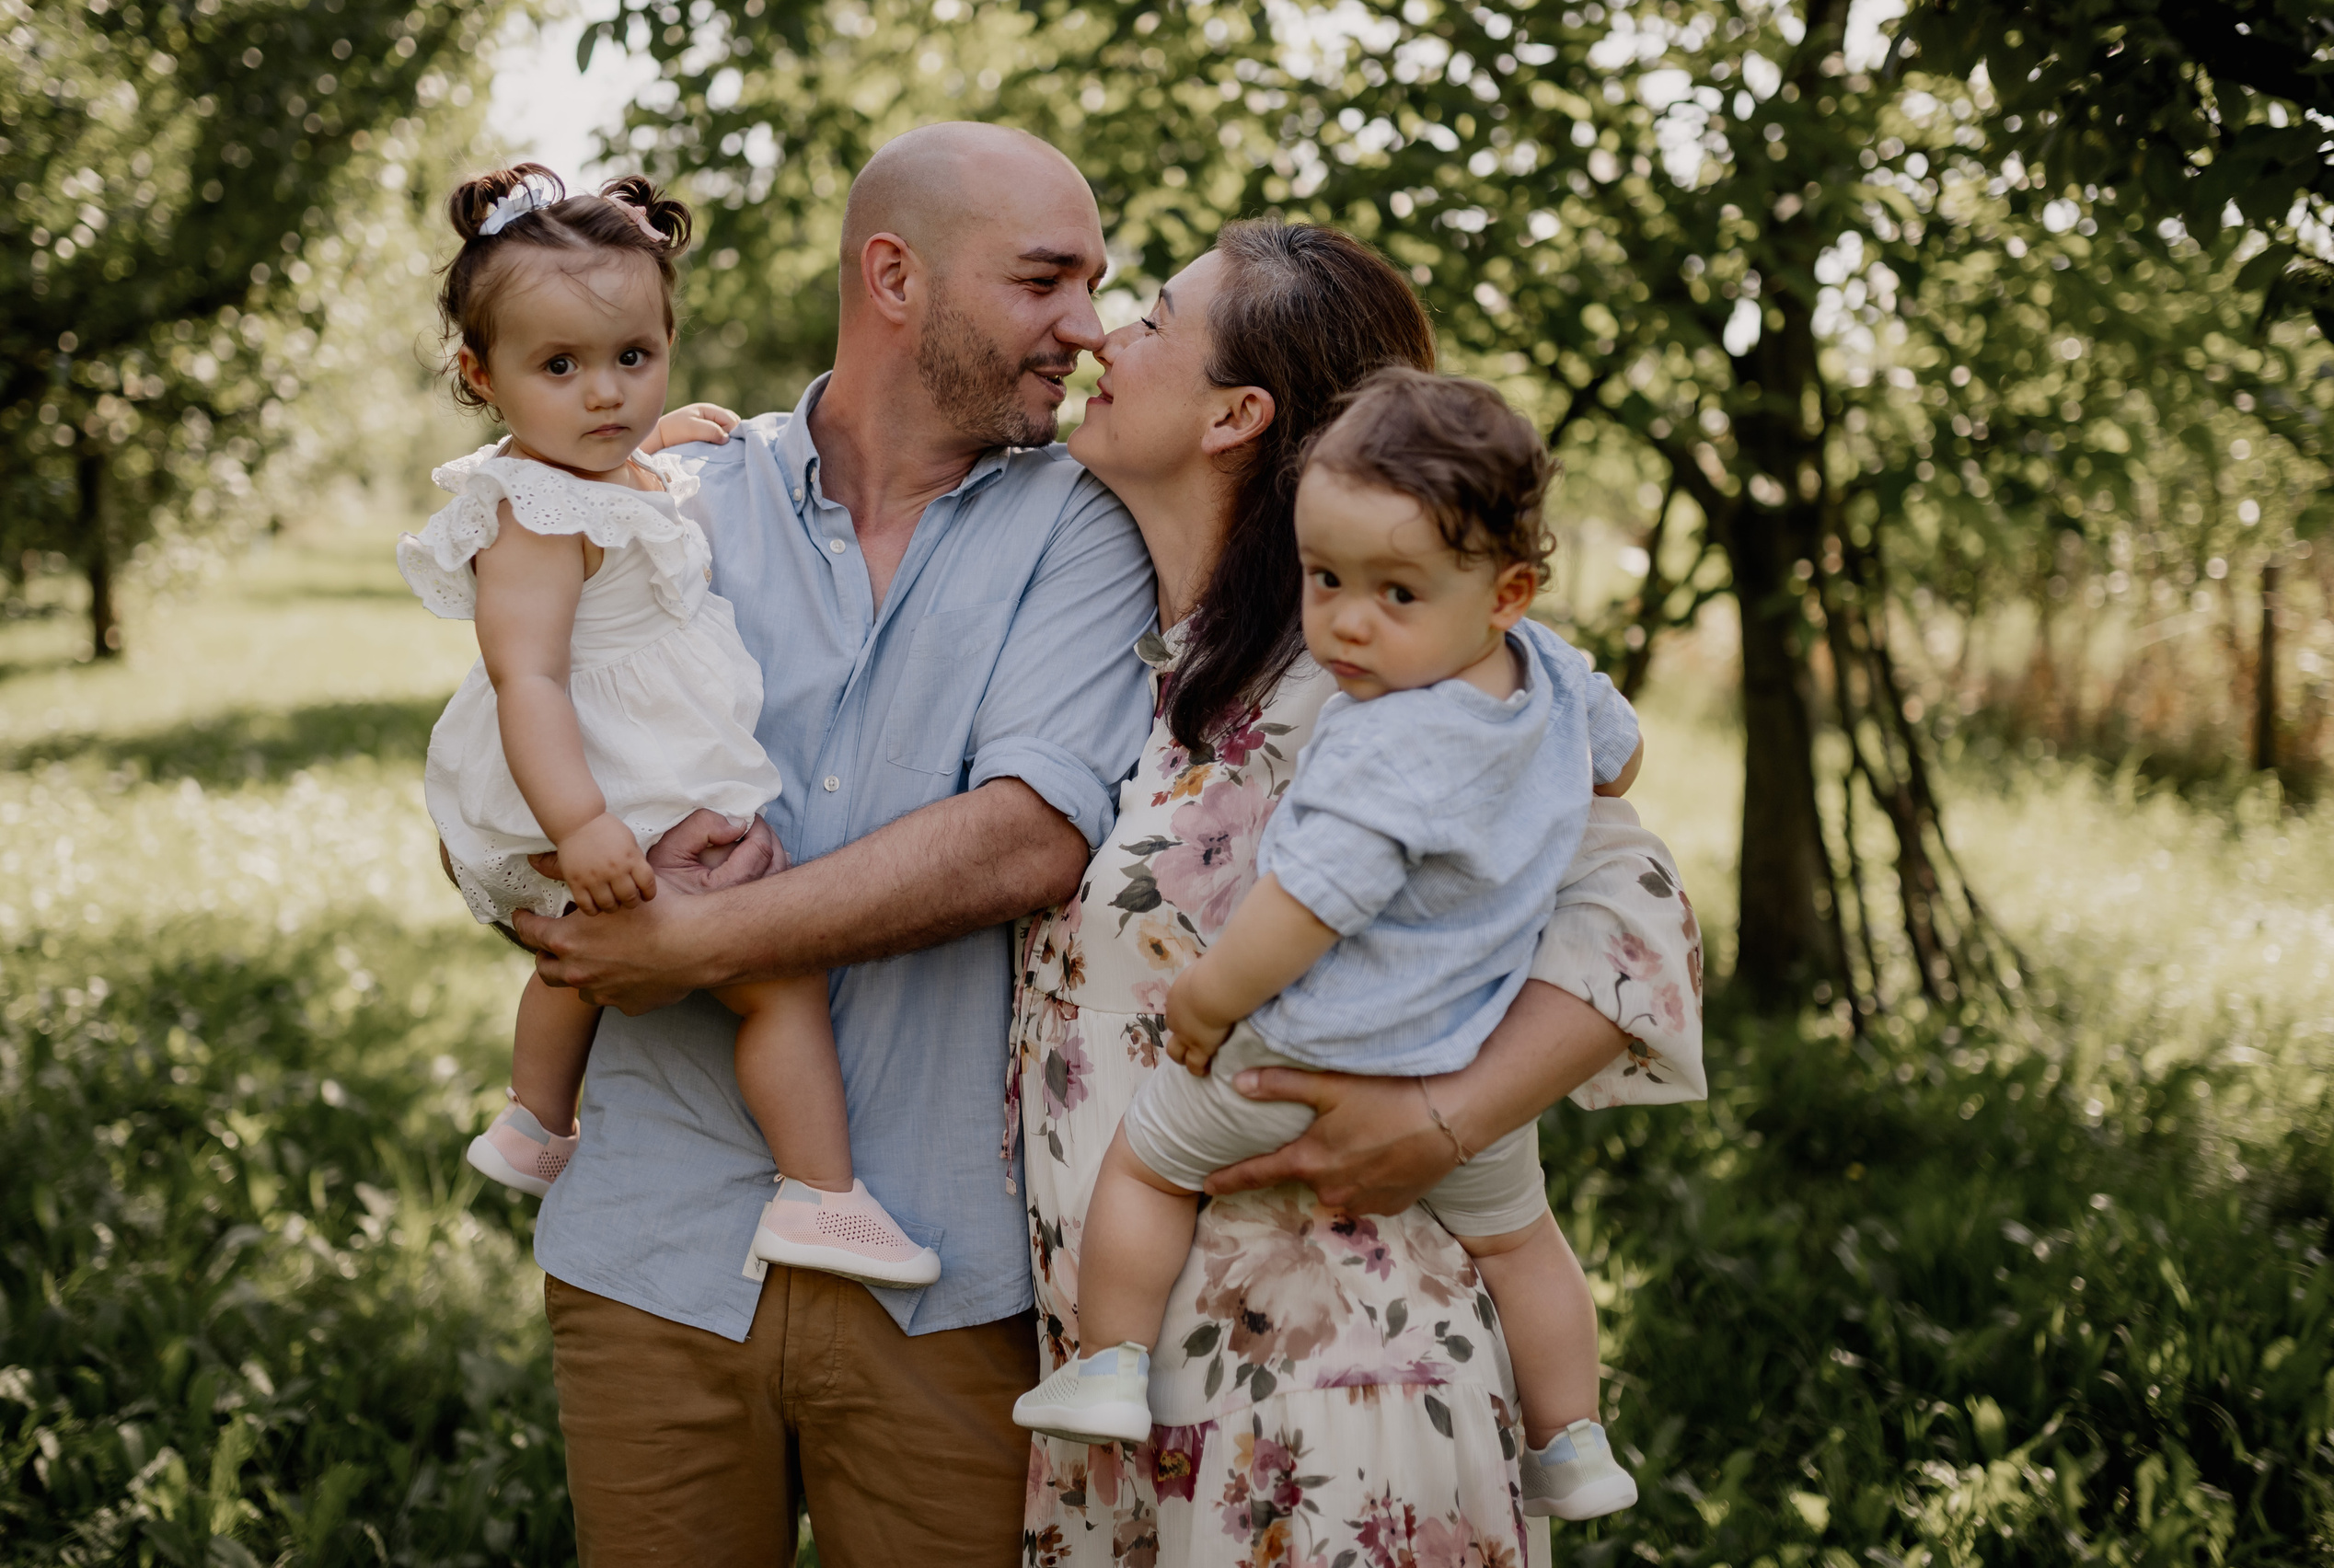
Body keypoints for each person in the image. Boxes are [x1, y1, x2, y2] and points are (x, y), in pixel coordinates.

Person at [503, 124, 1157, 1566]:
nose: (1088, 328)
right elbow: (508, 757)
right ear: (895, 277)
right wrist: (536, 882)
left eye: (1095, 286)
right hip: (656, 1255)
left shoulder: (1087, 531)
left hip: (947, 1275)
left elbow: (1023, 842)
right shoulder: (669, 499)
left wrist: (686, 941)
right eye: (1046, 281)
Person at [1010, 219, 1706, 1565]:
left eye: (1147, 318)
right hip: (1131, 1385)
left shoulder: (1399, 674)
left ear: (1237, 415)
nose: (1102, 335)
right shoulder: (1156, 659)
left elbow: (1642, 916)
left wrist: (1453, 1118)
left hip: (1330, 1383)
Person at [399, 163, 935, 1288]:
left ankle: (536, 1124)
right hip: (589, 774)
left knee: (577, 958)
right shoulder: (533, 516)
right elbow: (526, 677)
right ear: (479, 375)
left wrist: (667, 437)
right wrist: (582, 820)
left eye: (633, 360)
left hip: (628, 770)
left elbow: (638, 469)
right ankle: (821, 1196)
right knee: (768, 969)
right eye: (561, 367)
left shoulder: (614, 468)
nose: (606, 397)